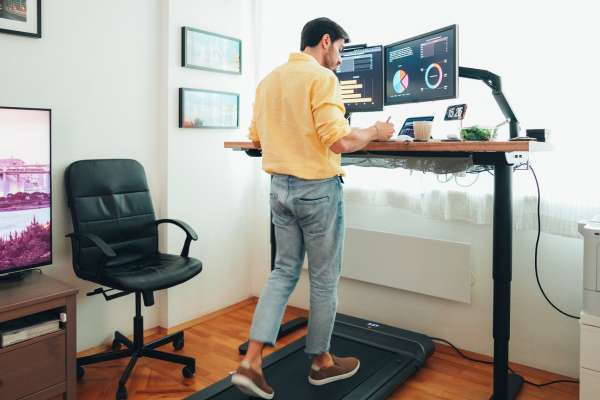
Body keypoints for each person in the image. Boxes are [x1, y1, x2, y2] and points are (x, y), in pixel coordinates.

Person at [231, 17, 395, 399]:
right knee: (323, 278)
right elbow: (337, 141)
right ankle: (321, 363)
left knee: (283, 271)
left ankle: (251, 361)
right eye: (339, 49)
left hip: (279, 189)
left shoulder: (269, 80)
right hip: (316, 190)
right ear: (325, 42)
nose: (339, 59)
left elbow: (255, 138)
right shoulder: (323, 80)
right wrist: (374, 132)